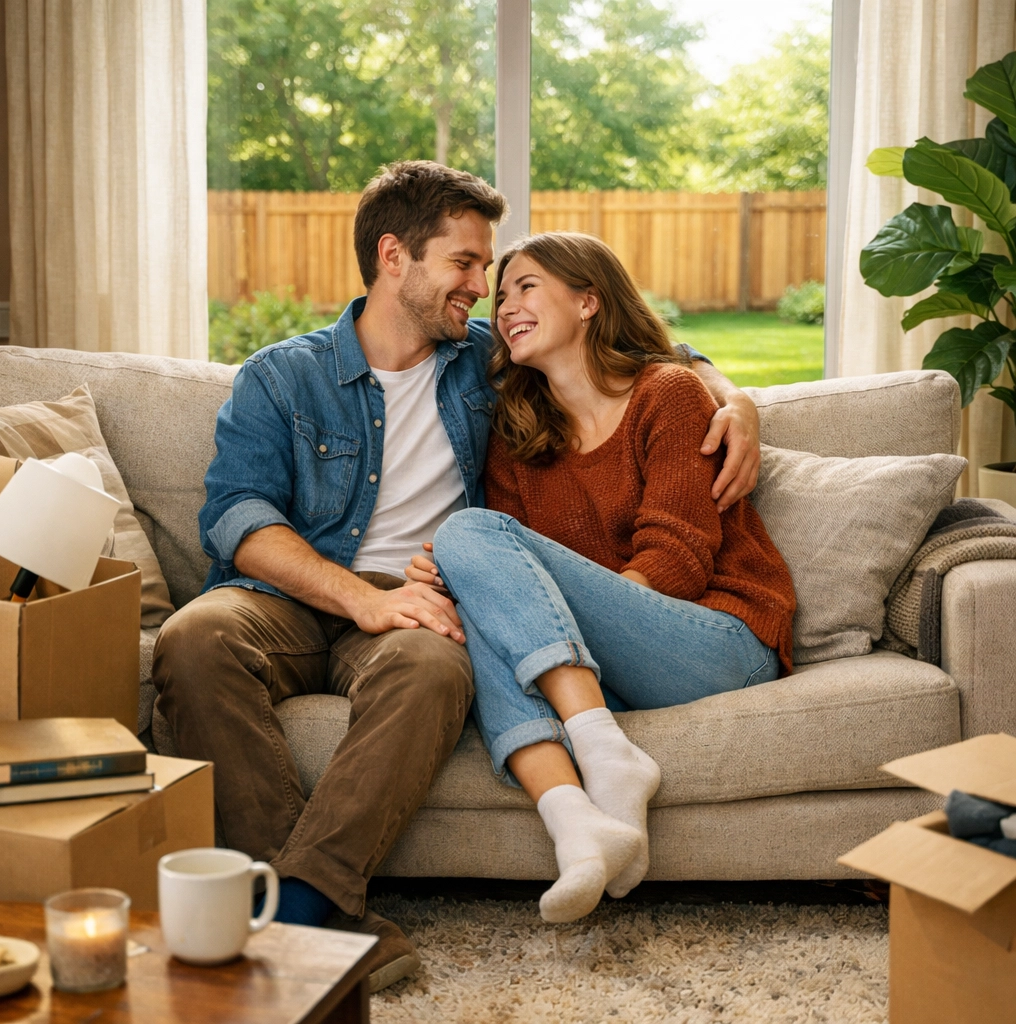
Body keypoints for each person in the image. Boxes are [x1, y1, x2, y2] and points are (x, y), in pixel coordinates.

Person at [153, 163, 762, 991]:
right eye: (465, 264)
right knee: (193, 637)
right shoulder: (281, 375)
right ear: (393, 257)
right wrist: (359, 598)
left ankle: (298, 906)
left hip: (431, 601)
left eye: (490, 270)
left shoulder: (488, 361)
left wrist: (736, 399)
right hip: (291, 592)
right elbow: (237, 516)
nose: (482, 288)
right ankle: (313, 911)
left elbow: (643, 354)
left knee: (437, 670)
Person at [409, 232, 796, 925]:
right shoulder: (519, 436)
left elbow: (678, 557)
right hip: (610, 661)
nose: (505, 305)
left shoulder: (668, 393)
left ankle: (601, 750)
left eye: (527, 286)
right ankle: (577, 826)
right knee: (480, 617)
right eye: (501, 295)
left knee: (466, 534)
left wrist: (506, 580)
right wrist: (465, 583)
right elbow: (521, 597)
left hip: (720, 639)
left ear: (588, 301)